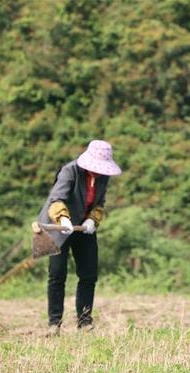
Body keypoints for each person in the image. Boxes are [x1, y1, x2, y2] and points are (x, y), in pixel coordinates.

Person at [38, 140, 121, 336]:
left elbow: (99, 202)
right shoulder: (70, 171)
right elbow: (56, 199)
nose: (99, 172)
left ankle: (85, 322)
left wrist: (93, 220)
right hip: (60, 226)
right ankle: (54, 324)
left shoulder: (103, 177)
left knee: (89, 274)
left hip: (84, 228)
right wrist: (64, 219)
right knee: (57, 275)